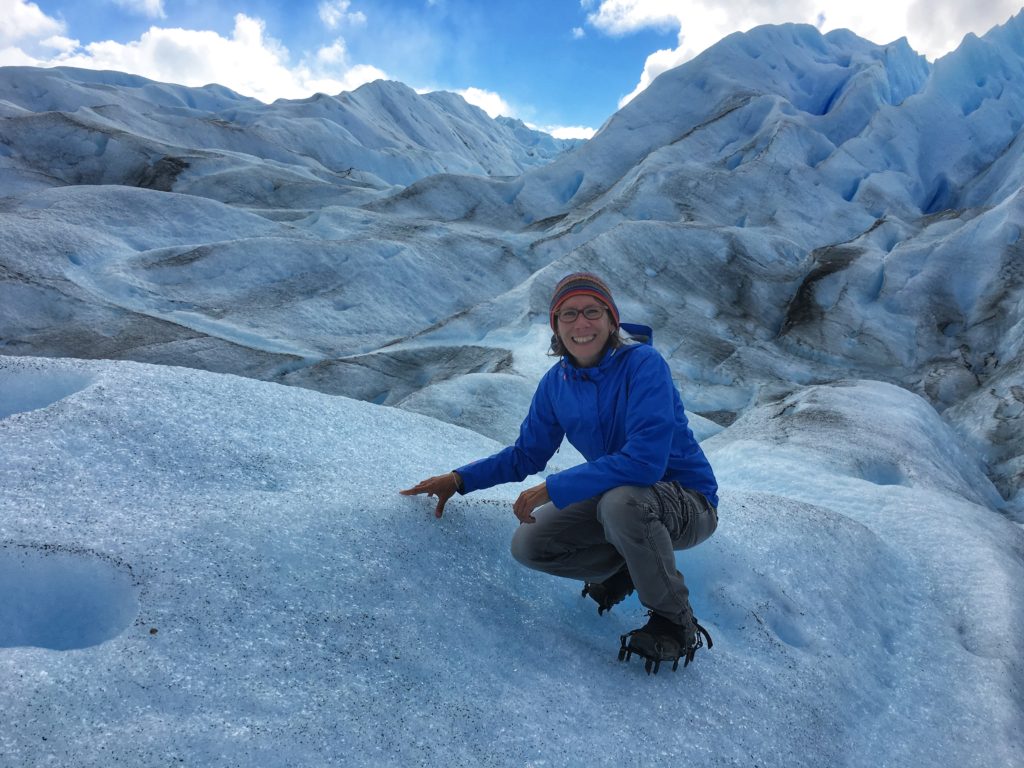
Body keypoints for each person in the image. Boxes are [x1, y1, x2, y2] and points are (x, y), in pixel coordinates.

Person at [400, 272, 718, 674]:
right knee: (530, 544)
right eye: (568, 314)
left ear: (611, 320)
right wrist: (460, 480)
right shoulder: (556, 384)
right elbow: (526, 454)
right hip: (622, 501)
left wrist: (553, 488)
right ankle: (629, 569)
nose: (581, 324)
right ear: (555, 326)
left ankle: (675, 622)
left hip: (689, 502)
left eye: (592, 312)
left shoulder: (644, 365)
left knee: (623, 503)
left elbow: (645, 463)